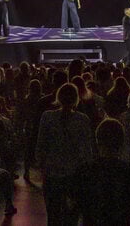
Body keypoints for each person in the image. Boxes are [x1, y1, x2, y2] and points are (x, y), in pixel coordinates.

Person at [36, 83, 95, 226]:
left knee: (53, 215)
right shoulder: (83, 119)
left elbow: (40, 145)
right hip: (74, 174)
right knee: (72, 216)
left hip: (52, 172)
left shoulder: (47, 117)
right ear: (76, 99)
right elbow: (87, 150)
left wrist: (42, 166)